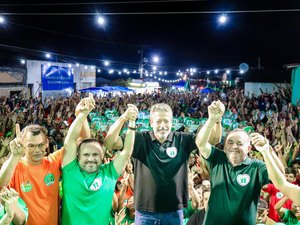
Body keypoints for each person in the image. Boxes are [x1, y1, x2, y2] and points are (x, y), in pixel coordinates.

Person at [104, 102, 222, 225]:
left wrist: (216, 120)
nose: (162, 125)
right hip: (145, 213)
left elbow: (214, 140)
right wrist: (124, 118)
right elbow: (110, 143)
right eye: (158, 121)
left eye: (166, 121)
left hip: (174, 212)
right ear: (151, 122)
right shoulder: (139, 139)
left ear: (172, 122)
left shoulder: (183, 139)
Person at [0, 98, 91, 225]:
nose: (37, 150)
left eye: (41, 145)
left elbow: (84, 142)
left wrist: (82, 115)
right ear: (23, 144)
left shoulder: (53, 161)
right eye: (31, 146)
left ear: (47, 143)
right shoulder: (15, 166)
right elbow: (1, 184)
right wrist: (14, 156)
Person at [196, 100, 276, 225]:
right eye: (230, 142)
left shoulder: (256, 167)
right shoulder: (218, 158)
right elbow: (200, 143)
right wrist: (212, 120)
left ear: (249, 149)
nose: (234, 146)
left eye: (240, 144)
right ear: (224, 147)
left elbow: (279, 178)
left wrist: (267, 152)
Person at [61, 96, 137, 225]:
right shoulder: (70, 169)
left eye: (95, 155)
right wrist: (82, 114)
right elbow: (69, 142)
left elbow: (126, 152)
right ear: (78, 156)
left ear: (103, 157)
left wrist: (129, 121)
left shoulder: (109, 173)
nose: (91, 159)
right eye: (86, 155)